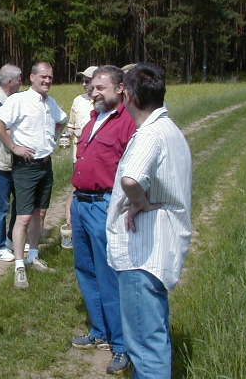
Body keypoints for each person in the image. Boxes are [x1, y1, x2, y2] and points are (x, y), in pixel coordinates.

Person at [106, 63, 192, 379]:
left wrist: (138, 202)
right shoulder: (169, 128)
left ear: (127, 95)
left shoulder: (149, 134)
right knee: (154, 331)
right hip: (161, 246)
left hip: (144, 252)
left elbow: (130, 179)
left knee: (143, 343)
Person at [70, 65, 135, 375]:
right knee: (86, 268)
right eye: (91, 87)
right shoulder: (93, 119)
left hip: (104, 204)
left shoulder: (127, 123)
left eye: (100, 88)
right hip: (80, 203)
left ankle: (122, 345)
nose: (93, 92)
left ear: (120, 88)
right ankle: (100, 331)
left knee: (109, 274)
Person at [0, 61, 67, 289]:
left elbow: (62, 120)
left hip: (45, 164)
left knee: (40, 213)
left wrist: (53, 138)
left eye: (50, 77)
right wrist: (14, 147)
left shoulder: (50, 103)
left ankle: (34, 255)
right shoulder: (18, 100)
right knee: (23, 217)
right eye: (43, 76)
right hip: (25, 166)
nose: (47, 81)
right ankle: (19, 266)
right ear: (32, 77)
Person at [0, 64, 22, 262]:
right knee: (0, 206)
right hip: (1, 162)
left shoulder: (9, 99)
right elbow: (2, 128)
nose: (21, 82)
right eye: (19, 78)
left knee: (19, 202)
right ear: (10, 81)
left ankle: (11, 238)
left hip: (12, 162)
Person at [63, 65, 97, 249]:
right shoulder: (78, 101)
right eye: (83, 80)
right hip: (80, 156)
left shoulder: (106, 102)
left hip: (100, 158)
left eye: (88, 79)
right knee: (76, 189)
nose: (84, 83)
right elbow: (71, 126)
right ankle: (70, 228)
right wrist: (68, 136)